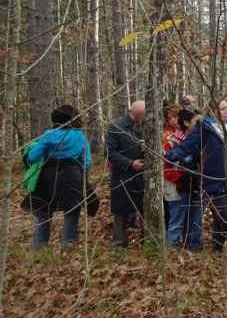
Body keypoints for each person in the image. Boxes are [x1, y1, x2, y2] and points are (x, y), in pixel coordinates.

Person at [165, 100, 227, 252]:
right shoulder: (204, 129)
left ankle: (216, 251)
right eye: (222, 109)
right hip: (212, 183)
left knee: (221, 219)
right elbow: (185, 147)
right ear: (212, 112)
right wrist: (168, 155)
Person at [21, 105, 96, 248]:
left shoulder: (48, 135)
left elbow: (33, 156)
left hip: (47, 177)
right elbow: (86, 161)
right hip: (72, 177)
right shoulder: (80, 136)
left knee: (44, 213)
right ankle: (68, 248)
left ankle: (39, 248)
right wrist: (83, 179)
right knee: (72, 212)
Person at [107, 100, 146, 248]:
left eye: (142, 117)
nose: (139, 120)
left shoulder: (150, 125)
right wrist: (130, 163)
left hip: (145, 176)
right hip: (123, 176)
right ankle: (119, 245)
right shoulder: (116, 126)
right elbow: (110, 152)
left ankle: (147, 242)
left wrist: (149, 148)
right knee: (121, 212)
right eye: (137, 116)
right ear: (130, 111)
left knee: (146, 210)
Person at [164, 108, 203, 251]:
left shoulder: (201, 140)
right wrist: (180, 180)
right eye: (196, 122)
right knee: (177, 220)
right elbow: (166, 166)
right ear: (186, 123)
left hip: (197, 186)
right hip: (178, 188)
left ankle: (193, 246)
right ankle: (172, 248)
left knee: (196, 219)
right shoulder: (173, 142)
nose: (200, 124)